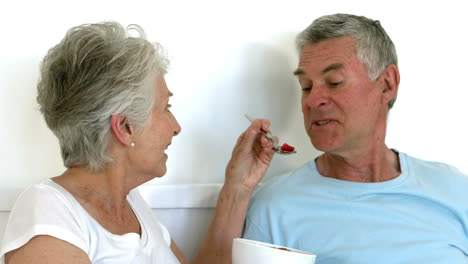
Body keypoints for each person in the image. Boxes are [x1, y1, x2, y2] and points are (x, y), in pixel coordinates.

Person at [0, 21, 275, 264]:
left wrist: (238, 186)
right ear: (124, 127)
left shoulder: (131, 204)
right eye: (166, 107)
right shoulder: (48, 214)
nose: (176, 127)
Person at [243, 13, 468, 263]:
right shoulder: (276, 206)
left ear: (387, 84)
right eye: (306, 86)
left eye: (334, 82)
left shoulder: (456, 190)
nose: (313, 100)